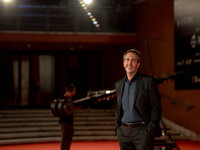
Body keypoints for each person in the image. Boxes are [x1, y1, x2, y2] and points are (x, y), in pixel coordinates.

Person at [115, 49, 162, 150]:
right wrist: (118, 128)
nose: (129, 63)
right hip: (124, 132)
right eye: (127, 60)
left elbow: (156, 108)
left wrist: (150, 130)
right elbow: (119, 108)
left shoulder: (148, 81)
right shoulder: (119, 85)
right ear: (123, 63)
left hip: (142, 131)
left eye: (133, 60)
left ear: (138, 64)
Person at [59, 84, 76, 150]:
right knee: (64, 138)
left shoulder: (70, 99)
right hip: (64, 122)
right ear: (69, 90)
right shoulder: (62, 99)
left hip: (70, 122)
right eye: (74, 90)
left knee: (69, 138)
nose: (75, 92)